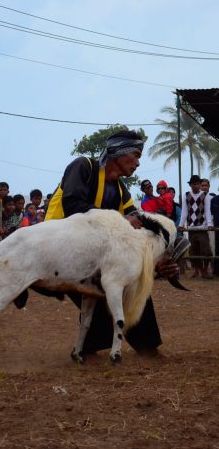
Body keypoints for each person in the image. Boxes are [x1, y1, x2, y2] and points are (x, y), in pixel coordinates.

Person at [45, 129, 178, 357]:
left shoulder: (121, 191)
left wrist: (158, 261)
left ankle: (146, 346)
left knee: (134, 282)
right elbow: (73, 205)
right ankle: (88, 349)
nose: (137, 163)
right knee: (105, 294)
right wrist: (121, 220)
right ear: (119, 152)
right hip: (57, 250)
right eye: (135, 155)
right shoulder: (83, 167)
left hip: (92, 257)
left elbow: (138, 226)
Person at [178, 175, 213, 279]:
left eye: (198, 184)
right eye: (194, 184)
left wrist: (210, 224)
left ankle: (205, 270)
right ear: (190, 185)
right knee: (194, 250)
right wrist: (181, 225)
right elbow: (184, 211)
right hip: (191, 228)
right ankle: (198, 270)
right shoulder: (186, 195)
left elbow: (207, 210)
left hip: (202, 227)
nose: (196, 186)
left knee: (205, 249)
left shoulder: (205, 195)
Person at [211, 192, 219, 276]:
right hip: (217, 229)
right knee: (217, 249)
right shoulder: (214, 200)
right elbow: (210, 213)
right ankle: (216, 271)